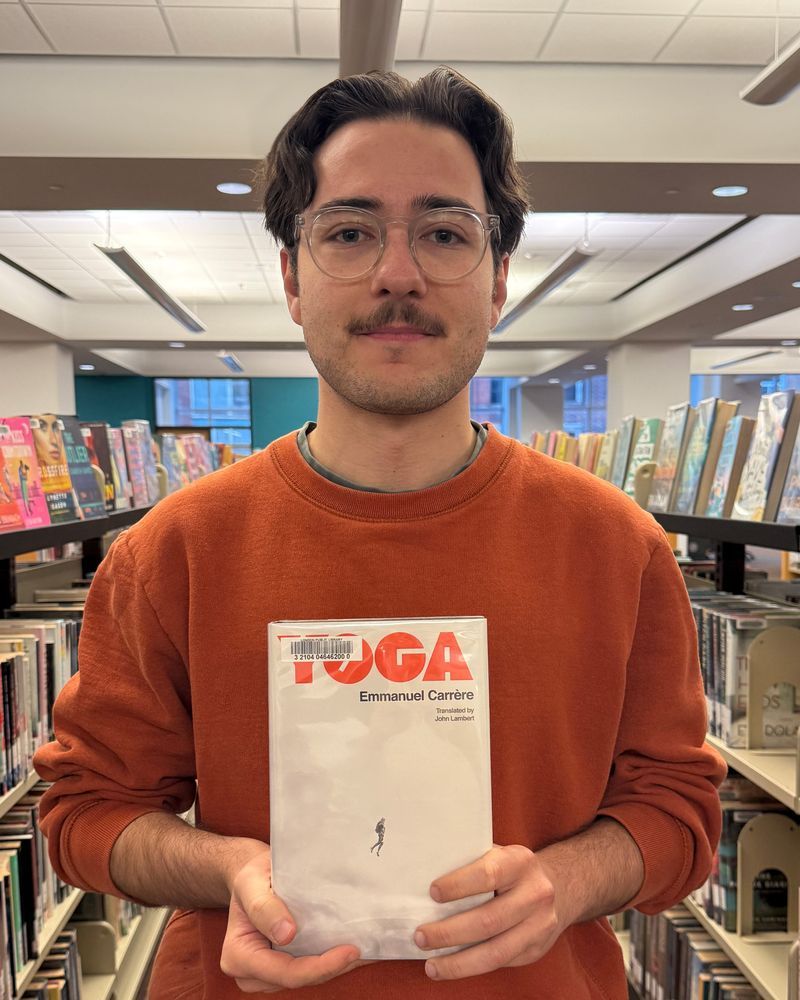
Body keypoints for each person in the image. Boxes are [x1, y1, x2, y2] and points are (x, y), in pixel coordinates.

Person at [33, 66, 725, 1000]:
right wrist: (229, 869)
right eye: (350, 233)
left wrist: (568, 883)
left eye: (445, 233)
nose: (398, 276)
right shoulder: (174, 550)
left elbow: (679, 813)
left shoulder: (619, 547)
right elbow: (84, 812)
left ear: (499, 278)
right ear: (290, 275)